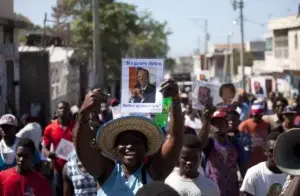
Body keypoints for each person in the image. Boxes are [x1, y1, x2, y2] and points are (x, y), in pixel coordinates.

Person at [75, 79, 184, 195]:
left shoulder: (154, 172)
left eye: (136, 142)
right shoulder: (105, 171)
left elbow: (175, 139)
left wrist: (175, 101)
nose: (130, 146)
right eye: (124, 142)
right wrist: (84, 113)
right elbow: (82, 149)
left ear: (146, 148)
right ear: (115, 148)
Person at [198, 108, 240, 196]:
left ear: (226, 125)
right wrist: (206, 121)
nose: (218, 125)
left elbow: (242, 163)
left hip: (232, 190)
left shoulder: (234, 141)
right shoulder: (209, 142)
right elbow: (200, 143)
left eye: (221, 122)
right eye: (215, 123)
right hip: (213, 190)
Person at [42, 101, 75, 196]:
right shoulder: (49, 128)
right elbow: (44, 148)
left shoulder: (76, 126)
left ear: (69, 111)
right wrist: (49, 154)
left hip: (74, 167)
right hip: (58, 168)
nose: (63, 110)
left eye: (65, 108)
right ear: (56, 111)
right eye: (60, 108)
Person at [239, 103, 271, 169]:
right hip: (250, 158)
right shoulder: (244, 125)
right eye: (255, 115)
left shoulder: (267, 124)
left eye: (259, 115)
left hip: (264, 158)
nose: (257, 117)